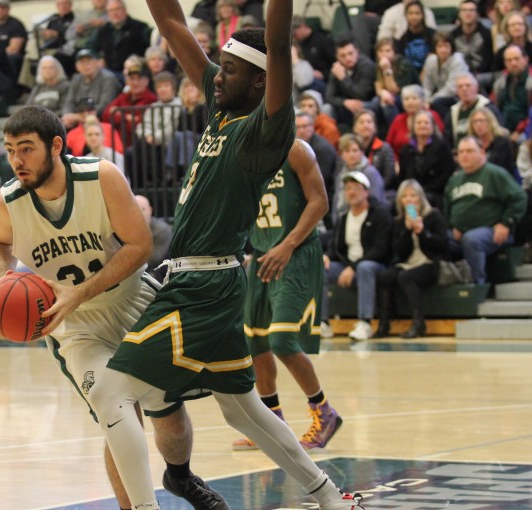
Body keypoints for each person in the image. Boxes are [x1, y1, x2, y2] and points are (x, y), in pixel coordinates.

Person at [91, 0, 365, 507]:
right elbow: (172, 24)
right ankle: (329, 497)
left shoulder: (267, 131)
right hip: (203, 282)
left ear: (261, 82)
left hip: (202, 287)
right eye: (219, 66)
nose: (216, 77)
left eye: (230, 70)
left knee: (110, 394)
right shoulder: (223, 105)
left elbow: (278, 43)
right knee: (244, 409)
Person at [0, 105, 230, 510]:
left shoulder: (101, 177)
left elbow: (141, 246)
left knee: (166, 409)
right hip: (74, 326)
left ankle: (180, 477)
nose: (16, 161)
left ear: (56, 146)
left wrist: (80, 291)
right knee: (116, 414)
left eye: (26, 149)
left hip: (132, 300)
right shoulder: (7, 202)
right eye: (10, 150)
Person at [231, 137, 342, 453]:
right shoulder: (241, 153)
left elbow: (320, 201)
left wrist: (288, 244)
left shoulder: (294, 149)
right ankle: (271, 424)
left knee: (282, 340)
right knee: (255, 343)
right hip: (263, 254)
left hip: (295, 253)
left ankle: (324, 412)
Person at [445, 136, 527, 284]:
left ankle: (476, 285)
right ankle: (446, 283)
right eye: (461, 152)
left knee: (471, 239)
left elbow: (519, 198)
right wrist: (452, 226)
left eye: (469, 151)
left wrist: (506, 223)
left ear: (482, 152)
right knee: (436, 238)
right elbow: (447, 208)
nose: (464, 155)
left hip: (492, 231)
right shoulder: (454, 180)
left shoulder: (495, 173)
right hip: (460, 233)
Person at [321, 171, 393, 341]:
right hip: (348, 265)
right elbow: (336, 247)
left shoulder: (380, 214)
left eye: (356, 188)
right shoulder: (343, 217)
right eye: (348, 189)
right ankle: (323, 322)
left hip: (376, 264)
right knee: (320, 268)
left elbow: (381, 249)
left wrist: (353, 268)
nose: (351, 192)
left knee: (364, 267)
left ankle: (365, 322)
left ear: (366, 191)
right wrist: (327, 257)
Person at [375, 179, 447, 339]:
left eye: (412, 195)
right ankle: (383, 324)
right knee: (384, 277)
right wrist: (407, 231)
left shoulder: (433, 215)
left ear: (420, 197)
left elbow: (443, 245)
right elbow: (399, 252)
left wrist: (423, 233)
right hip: (407, 262)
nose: (409, 199)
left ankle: (418, 323)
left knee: (405, 277)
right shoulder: (399, 221)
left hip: (429, 263)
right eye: (405, 196)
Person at [396, 110, 456, 207]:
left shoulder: (442, 146)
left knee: (425, 200)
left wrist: (422, 191)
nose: (422, 125)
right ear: (413, 127)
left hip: (435, 192)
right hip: (411, 194)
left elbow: (447, 173)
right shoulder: (406, 150)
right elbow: (402, 176)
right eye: (419, 123)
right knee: (405, 202)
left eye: (426, 123)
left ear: (432, 126)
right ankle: (412, 220)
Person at [61, 49, 122, 128]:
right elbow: (69, 102)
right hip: (77, 122)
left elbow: (105, 105)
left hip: (101, 122)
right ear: (77, 66)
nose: (86, 65)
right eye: (82, 62)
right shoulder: (76, 79)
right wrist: (67, 116)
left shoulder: (108, 78)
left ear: (97, 62)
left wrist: (79, 117)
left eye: (89, 61)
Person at [325, 37, 376, 126]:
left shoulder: (367, 66)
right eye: (343, 56)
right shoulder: (337, 68)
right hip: (347, 105)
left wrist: (343, 78)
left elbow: (362, 95)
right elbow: (329, 96)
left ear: (357, 51)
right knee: (327, 108)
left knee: (360, 105)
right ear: (337, 57)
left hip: (368, 103)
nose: (348, 58)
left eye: (350, 53)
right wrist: (345, 102)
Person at [444, 73, 504, 148]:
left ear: (476, 88)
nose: (464, 89)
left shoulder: (489, 108)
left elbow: (498, 133)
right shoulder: (452, 112)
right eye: (460, 86)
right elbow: (448, 139)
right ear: (456, 91)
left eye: (468, 85)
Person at [422, 32, 469, 121]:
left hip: (457, 96)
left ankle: (447, 126)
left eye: (446, 46)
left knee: (438, 103)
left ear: (451, 47)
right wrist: (425, 100)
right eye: (440, 46)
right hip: (439, 94)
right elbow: (427, 85)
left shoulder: (457, 61)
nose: (443, 50)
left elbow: (451, 88)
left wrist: (430, 100)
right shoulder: (430, 61)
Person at [493, 44, 532, 140]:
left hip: (526, 130)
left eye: (516, 59)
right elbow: (494, 108)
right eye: (509, 60)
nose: (513, 63)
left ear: (525, 59)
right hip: (503, 127)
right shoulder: (500, 83)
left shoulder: (530, 82)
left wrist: (519, 131)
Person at [135, 194, 171, 282]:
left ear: (150, 210)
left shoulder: (162, 230)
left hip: (159, 273)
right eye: (135, 210)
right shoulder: (124, 231)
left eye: (142, 209)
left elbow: (156, 258)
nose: (139, 214)